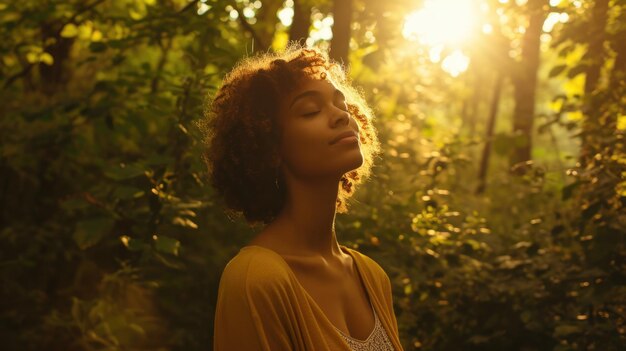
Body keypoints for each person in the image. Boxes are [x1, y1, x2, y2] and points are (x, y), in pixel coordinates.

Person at [202, 44, 403, 351]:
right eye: (310, 111)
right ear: (270, 147)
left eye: (342, 105)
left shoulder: (372, 276)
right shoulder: (255, 279)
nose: (339, 116)